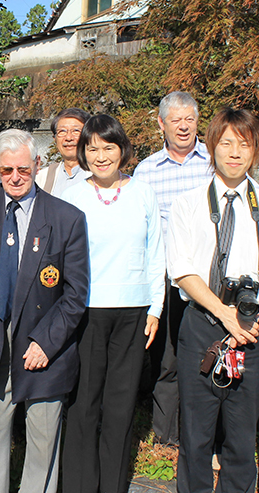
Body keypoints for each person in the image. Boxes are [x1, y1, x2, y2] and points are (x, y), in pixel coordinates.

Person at [0, 129, 90, 493]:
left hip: (43, 341)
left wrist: (47, 342)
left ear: (38, 166)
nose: (15, 178)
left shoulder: (67, 218)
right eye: (8, 169)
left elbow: (76, 294)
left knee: (43, 439)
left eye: (23, 171)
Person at [166, 108, 259, 493]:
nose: (235, 152)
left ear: (256, 150)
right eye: (227, 143)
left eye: (245, 144)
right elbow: (181, 269)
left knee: (241, 435)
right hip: (203, 322)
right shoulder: (188, 203)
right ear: (212, 145)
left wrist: (245, 324)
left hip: (253, 331)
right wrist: (224, 314)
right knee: (196, 434)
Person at [61, 114, 165, 493]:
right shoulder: (71, 196)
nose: (101, 155)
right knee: (84, 403)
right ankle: (79, 485)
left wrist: (156, 308)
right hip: (85, 311)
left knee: (120, 406)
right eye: (92, 148)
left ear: (123, 149)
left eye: (109, 147)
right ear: (83, 153)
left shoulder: (142, 192)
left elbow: (157, 253)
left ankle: (112, 486)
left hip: (134, 311)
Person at [133, 91, 212, 447]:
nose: (183, 126)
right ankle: (166, 437)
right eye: (175, 120)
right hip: (165, 279)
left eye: (190, 119)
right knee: (166, 358)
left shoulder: (214, 164)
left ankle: (202, 434)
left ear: (198, 122)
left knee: (204, 356)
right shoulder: (146, 170)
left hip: (207, 280)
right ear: (161, 124)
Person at [35, 108, 91, 196]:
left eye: (76, 131)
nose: (69, 138)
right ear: (55, 139)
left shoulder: (99, 174)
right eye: (62, 131)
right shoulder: (43, 178)